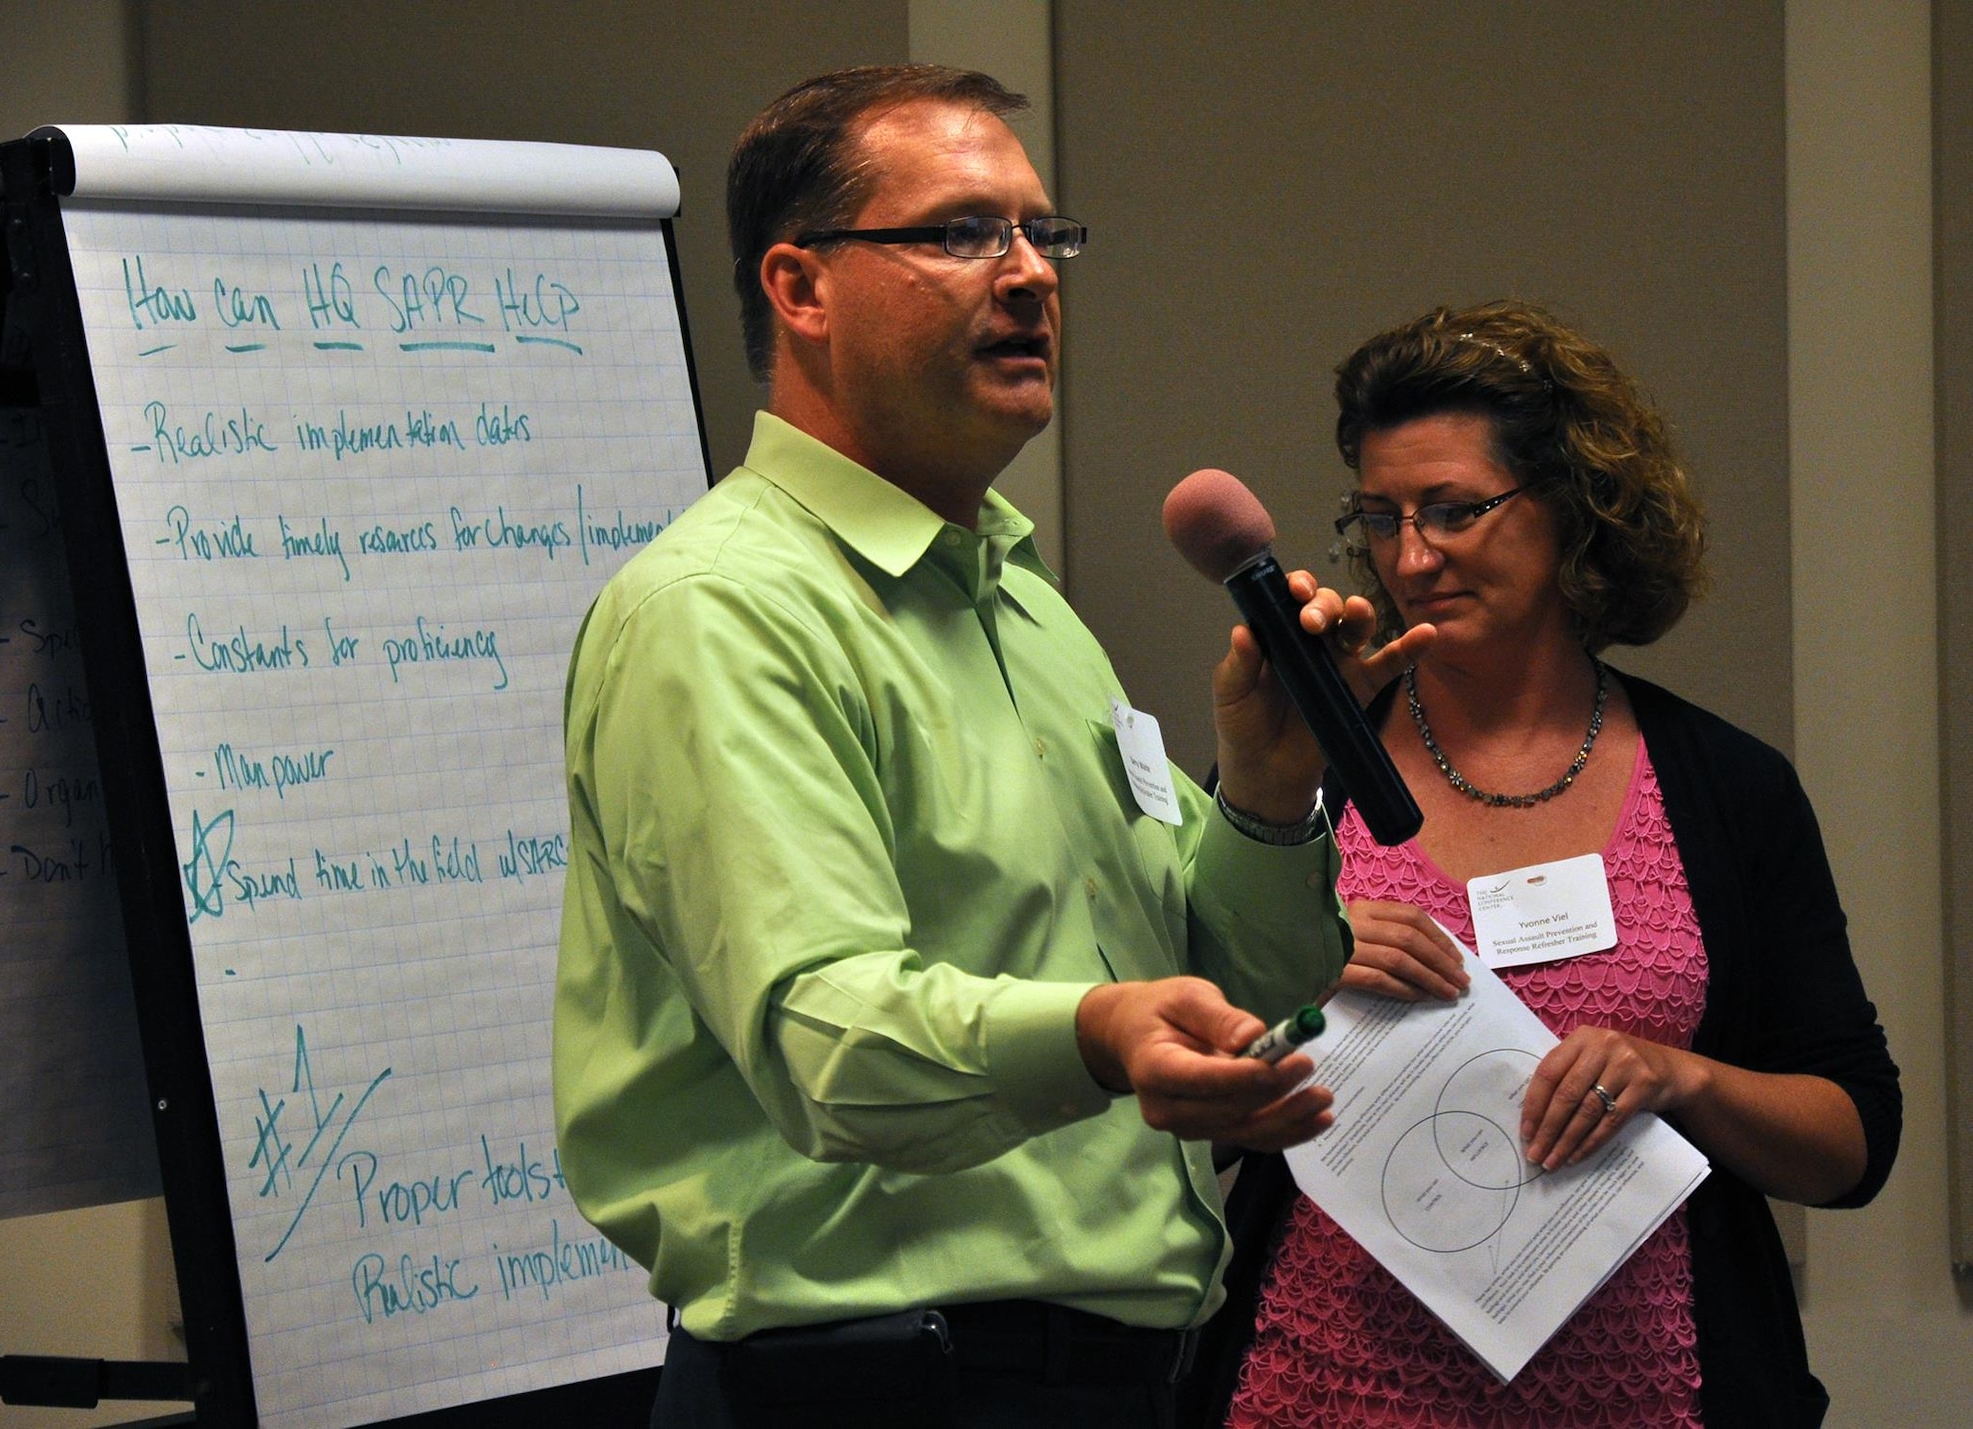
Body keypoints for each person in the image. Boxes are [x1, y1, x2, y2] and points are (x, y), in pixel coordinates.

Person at [553, 66, 1410, 1427]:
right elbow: (828, 1035)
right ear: (801, 289)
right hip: (872, 1389)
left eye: (1041, 234)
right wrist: (1100, 1029)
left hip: (1108, 1378)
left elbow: (1246, 978)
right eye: (960, 233)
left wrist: (1268, 789)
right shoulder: (721, 611)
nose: (1029, 277)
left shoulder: (1027, 606)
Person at [1203, 301, 1902, 1428]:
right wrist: (1293, 983)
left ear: (1574, 508)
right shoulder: (1295, 768)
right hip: (1322, 1393)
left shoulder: (1726, 788)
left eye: (1454, 510)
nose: (1410, 556)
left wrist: (1681, 1078)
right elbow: (1169, 1117)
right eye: (1377, 517)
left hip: (1653, 1394)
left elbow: (1851, 1145)